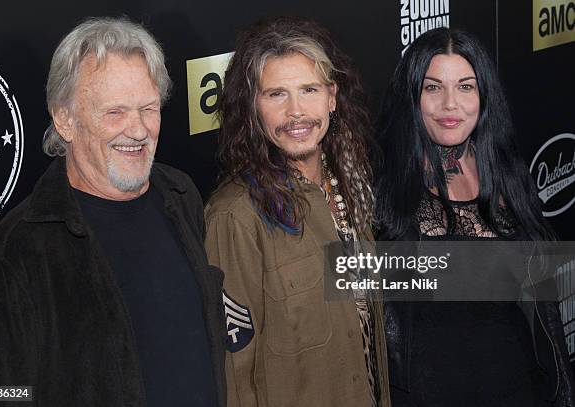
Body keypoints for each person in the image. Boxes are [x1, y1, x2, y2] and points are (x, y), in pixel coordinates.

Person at [0, 17, 226, 407]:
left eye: (148, 109)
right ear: (65, 119)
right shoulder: (18, 252)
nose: (137, 130)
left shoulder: (181, 194)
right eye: (115, 112)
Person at [375, 27, 575, 406]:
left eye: (466, 87)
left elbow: (541, 307)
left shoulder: (506, 171)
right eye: (432, 88)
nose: (451, 104)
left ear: (484, 95)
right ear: (411, 96)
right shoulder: (380, 187)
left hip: (520, 388)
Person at [204, 16, 390, 407]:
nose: (297, 112)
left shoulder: (351, 181)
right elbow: (234, 374)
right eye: (276, 94)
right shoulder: (235, 216)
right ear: (253, 107)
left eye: (309, 90)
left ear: (332, 97)